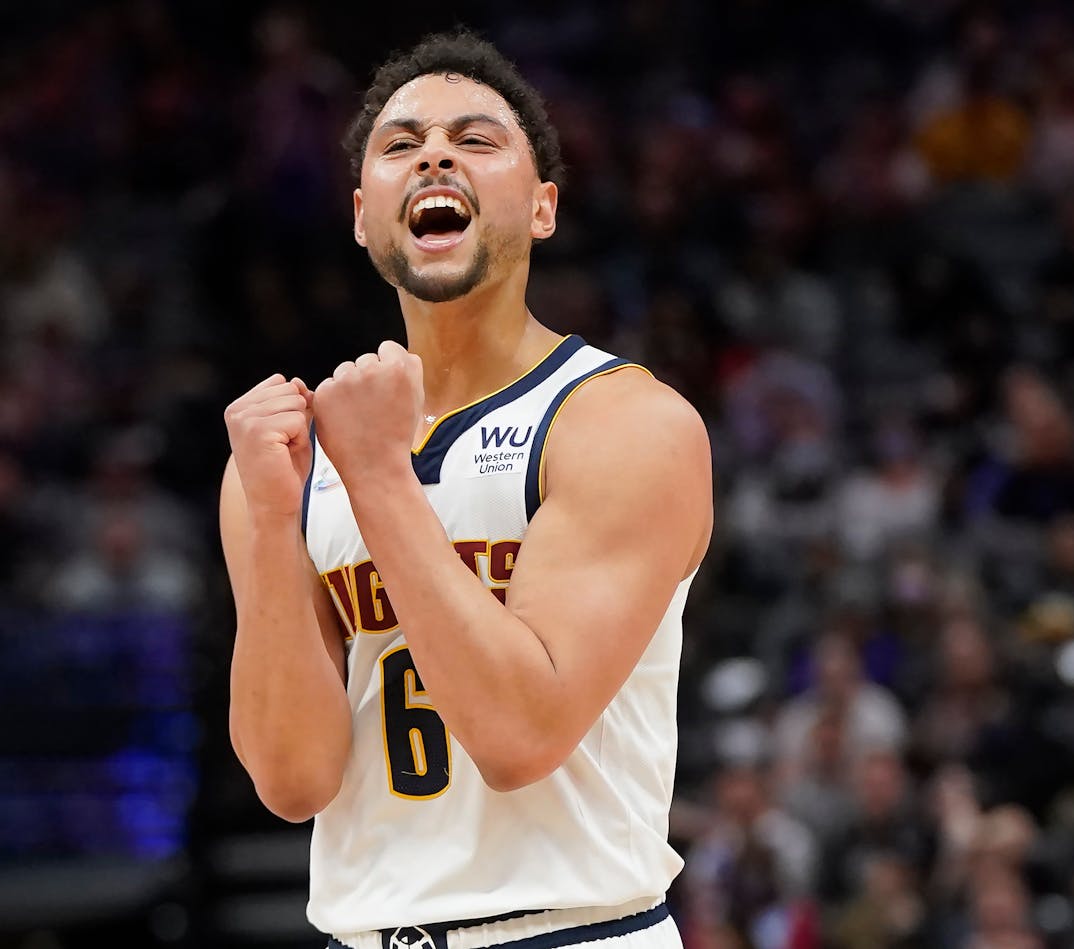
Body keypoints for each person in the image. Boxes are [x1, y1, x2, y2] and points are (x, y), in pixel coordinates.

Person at [221, 30, 712, 949]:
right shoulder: (285, 458)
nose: (436, 154)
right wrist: (274, 515)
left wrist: (376, 474)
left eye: (477, 140)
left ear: (542, 208)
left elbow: (520, 735)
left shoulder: (626, 424)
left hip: (572, 929)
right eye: (401, 144)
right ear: (364, 215)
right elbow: (292, 780)